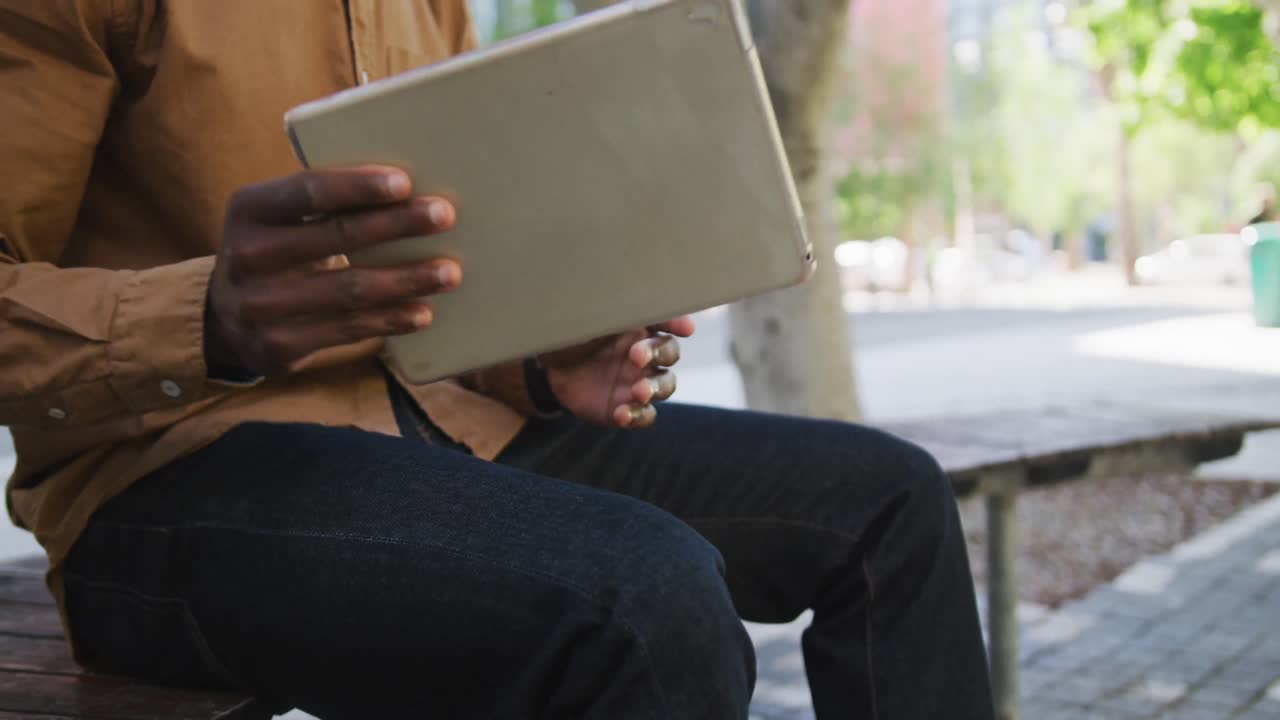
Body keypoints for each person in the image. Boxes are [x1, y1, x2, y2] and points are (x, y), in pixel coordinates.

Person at [0, 2, 994, 718]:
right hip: (170, 476)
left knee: (888, 500)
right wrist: (203, 315)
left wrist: (536, 359)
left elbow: (434, 286)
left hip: (436, 428)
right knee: (644, 601)